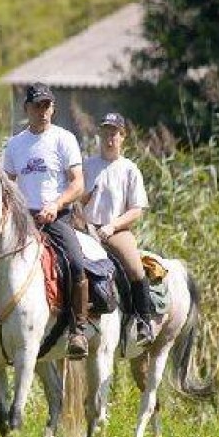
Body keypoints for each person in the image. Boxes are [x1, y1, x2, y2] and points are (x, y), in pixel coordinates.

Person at [3, 83, 89, 359]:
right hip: (23, 221)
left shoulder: (64, 139)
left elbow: (78, 184)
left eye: (47, 105)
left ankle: (78, 330)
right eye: (37, 106)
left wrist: (56, 204)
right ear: (26, 108)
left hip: (57, 217)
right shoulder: (15, 144)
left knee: (76, 263)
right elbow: (7, 185)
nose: (43, 111)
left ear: (53, 108)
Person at [82, 112, 154, 346]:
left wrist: (112, 226)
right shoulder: (87, 165)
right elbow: (76, 200)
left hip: (116, 230)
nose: (109, 138)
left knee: (134, 267)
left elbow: (137, 209)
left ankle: (143, 320)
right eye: (105, 132)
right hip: (86, 229)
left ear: (123, 137)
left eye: (114, 133)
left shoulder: (129, 169)